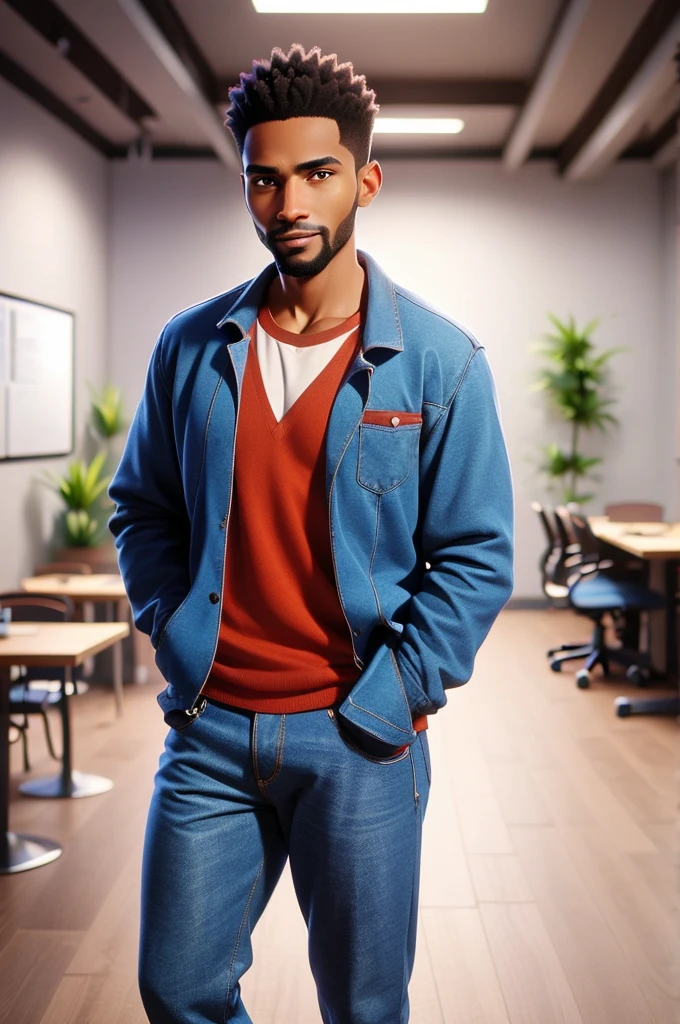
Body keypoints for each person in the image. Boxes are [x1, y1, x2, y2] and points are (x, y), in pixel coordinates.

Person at [108, 44, 514, 1024]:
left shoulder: (438, 361)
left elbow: (474, 554)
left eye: (317, 174)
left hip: (359, 735)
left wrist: (399, 693)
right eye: (265, 177)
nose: (288, 200)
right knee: (177, 985)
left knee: (364, 1005)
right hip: (210, 730)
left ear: (364, 179)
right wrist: (170, 625)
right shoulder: (190, 347)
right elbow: (142, 507)